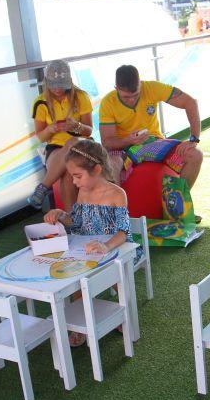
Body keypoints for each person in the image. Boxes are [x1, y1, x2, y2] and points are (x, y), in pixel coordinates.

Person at [43, 140, 139, 347]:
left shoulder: (116, 194)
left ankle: (125, 314)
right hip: (87, 249)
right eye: (72, 177)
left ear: (96, 169)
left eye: (78, 176)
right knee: (75, 277)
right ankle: (82, 323)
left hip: (115, 248)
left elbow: (124, 232)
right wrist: (60, 215)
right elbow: (76, 221)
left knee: (116, 278)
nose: (74, 182)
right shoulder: (83, 192)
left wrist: (106, 246)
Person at [99, 64, 204, 190]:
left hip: (153, 142)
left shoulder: (152, 87)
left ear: (140, 83)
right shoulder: (108, 102)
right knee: (110, 165)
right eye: (126, 97)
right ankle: (119, 208)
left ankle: (177, 203)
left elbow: (190, 102)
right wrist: (128, 140)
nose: (132, 100)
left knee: (196, 155)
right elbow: (107, 142)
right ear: (116, 88)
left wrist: (194, 139)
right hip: (122, 149)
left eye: (136, 94)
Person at [27, 60, 93, 211]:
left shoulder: (81, 97)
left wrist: (76, 126)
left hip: (82, 145)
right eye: (54, 85)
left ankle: (43, 188)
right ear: (47, 83)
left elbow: (89, 131)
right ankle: (73, 221)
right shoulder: (40, 102)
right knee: (69, 173)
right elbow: (41, 138)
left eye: (61, 85)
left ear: (69, 81)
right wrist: (50, 129)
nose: (57, 89)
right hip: (55, 148)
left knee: (72, 142)